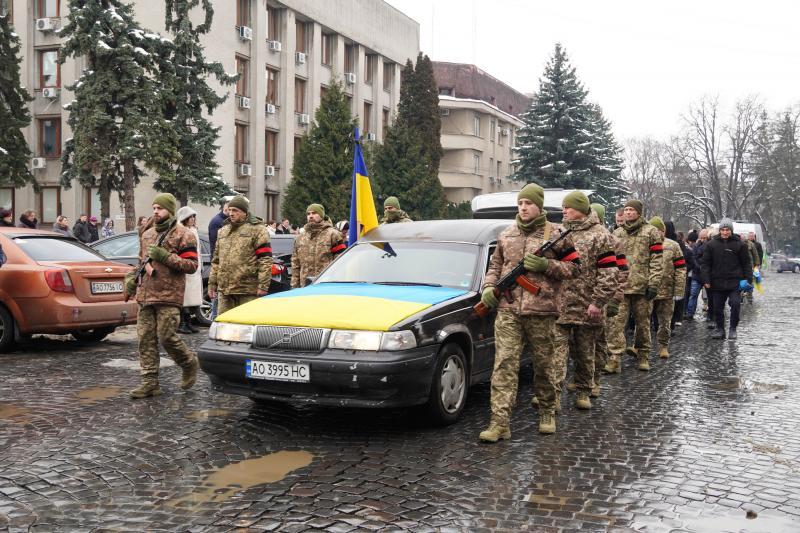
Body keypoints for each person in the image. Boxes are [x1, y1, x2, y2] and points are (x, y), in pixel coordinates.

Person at [478, 183, 580, 441]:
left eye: (529, 203)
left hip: (542, 310)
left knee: (544, 365)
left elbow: (575, 269)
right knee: (504, 364)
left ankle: (547, 411)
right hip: (508, 309)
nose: (523, 208)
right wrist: (489, 287)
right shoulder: (507, 234)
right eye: (521, 203)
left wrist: (547, 265)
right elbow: (495, 266)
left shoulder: (556, 233)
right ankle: (500, 422)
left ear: (539, 206)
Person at [125, 193, 199, 399]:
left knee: (166, 337)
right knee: (145, 339)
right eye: (154, 208)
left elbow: (192, 265)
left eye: (160, 208)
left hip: (169, 294)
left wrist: (165, 257)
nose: (155, 212)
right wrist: (131, 279)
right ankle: (150, 382)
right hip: (146, 294)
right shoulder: (147, 234)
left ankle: (188, 362)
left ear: (170, 210)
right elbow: (141, 262)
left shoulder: (184, 234)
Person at [551, 192, 617, 412]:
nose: (564, 210)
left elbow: (608, 271)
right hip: (560, 305)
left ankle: (583, 390)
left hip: (587, 305)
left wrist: (598, 302)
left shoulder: (601, 235)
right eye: (563, 207)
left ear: (580, 208)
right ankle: (554, 395)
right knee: (557, 353)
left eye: (568, 207)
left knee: (584, 352)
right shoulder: (558, 232)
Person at [604, 199, 664, 372]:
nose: (628, 213)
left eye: (632, 210)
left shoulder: (651, 232)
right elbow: (611, 261)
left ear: (639, 212)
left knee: (643, 323)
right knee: (615, 324)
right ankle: (615, 358)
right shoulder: (617, 233)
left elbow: (657, 260)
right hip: (621, 287)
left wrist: (654, 283)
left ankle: (643, 355)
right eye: (627, 210)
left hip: (643, 287)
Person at [208, 195, 273, 315]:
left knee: (246, 327)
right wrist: (212, 284)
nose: (231, 213)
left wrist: (263, 286)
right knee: (225, 326)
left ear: (244, 212)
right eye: (229, 210)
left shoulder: (258, 230)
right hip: (225, 291)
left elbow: (265, 259)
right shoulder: (223, 231)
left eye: (235, 210)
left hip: (247, 290)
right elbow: (216, 260)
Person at [701, 218, 753, 340]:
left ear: (731, 230)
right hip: (717, 282)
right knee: (717, 307)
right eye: (723, 230)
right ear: (720, 231)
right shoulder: (711, 245)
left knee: (735, 304)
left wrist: (748, 279)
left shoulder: (740, 245)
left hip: (735, 282)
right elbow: (705, 264)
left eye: (727, 230)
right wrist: (706, 280)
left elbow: (746, 263)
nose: (725, 232)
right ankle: (720, 329)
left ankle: (733, 328)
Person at [649, 217, 686, 359]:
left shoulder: (673, 246)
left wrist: (679, 289)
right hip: (647, 290)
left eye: (659, 230)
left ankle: (663, 346)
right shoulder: (644, 244)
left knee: (665, 321)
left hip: (667, 291)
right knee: (643, 322)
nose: (657, 233)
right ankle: (639, 346)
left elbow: (681, 268)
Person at [291, 204, 345, 289]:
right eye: (308, 214)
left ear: (321, 215)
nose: (311, 216)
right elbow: (295, 264)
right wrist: (294, 286)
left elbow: (341, 262)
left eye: (314, 213)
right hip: (304, 286)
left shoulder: (333, 234)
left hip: (326, 285)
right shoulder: (300, 238)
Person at [176, 206, 203, 334]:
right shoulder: (180, 231)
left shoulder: (194, 230)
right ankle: (182, 323)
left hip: (194, 269)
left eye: (193, 217)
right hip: (186, 268)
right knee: (185, 297)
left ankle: (188, 322)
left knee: (192, 298)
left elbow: (198, 251)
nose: (192, 219)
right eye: (190, 217)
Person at [208, 195, 233, 320]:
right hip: (220, 264)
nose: (232, 213)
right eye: (230, 209)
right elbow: (216, 246)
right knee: (217, 299)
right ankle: (214, 319)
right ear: (226, 208)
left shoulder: (226, 221)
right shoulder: (217, 222)